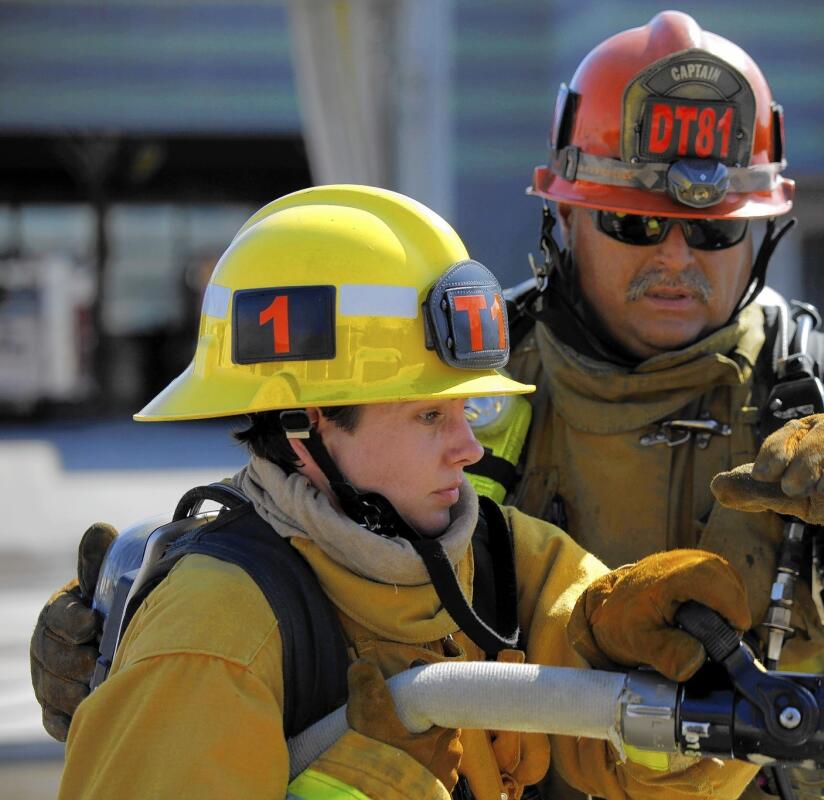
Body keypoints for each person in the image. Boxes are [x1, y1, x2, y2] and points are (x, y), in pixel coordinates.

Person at [34, 12, 824, 799]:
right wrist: (134, 649)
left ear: (763, 237)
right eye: (631, 220)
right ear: (564, 215)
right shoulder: (461, 366)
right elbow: (291, 554)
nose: (673, 257)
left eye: (712, 234)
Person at [54, 185, 759, 800]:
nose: (471, 448)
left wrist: (663, 669)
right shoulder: (214, 633)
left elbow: (663, 777)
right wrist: (368, 785)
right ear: (308, 424)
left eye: (466, 410)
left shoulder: (508, 562)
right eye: (430, 416)